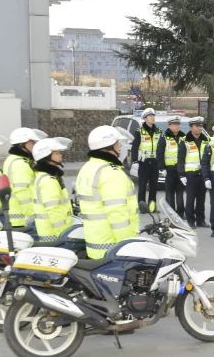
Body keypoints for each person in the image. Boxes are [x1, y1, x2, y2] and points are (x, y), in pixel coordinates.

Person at [74, 126, 138, 260]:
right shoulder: (110, 172)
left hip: (95, 243)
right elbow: (117, 214)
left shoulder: (87, 167)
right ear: (108, 146)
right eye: (117, 143)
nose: (120, 147)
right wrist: (127, 245)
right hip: (113, 248)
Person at [31, 136, 74, 245]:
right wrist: (63, 235)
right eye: (56, 153)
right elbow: (53, 210)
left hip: (51, 232)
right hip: (55, 235)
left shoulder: (48, 176)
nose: (60, 155)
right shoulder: (48, 180)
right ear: (46, 156)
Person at [3, 127, 42, 230]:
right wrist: (32, 213)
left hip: (18, 216)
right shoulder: (20, 163)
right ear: (22, 144)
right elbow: (22, 190)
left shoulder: (15, 159)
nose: (34, 145)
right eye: (31, 142)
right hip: (22, 218)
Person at [177, 116, 208, 228]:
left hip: (203, 174)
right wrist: (181, 174)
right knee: (190, 199)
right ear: (191, 127)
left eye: (201, 126)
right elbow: (180, 159)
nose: (200, 128)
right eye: (197, 126)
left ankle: (201, 220)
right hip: (190, 174)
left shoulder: (206, 140)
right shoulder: (184, 141)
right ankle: (190, 220)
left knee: (201, 199)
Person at [131, 108, 162, 211]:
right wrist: (135, 161)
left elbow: (161, 147)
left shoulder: (158, 131)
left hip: (155, 162)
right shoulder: (139, 131)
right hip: (144, 162)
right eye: (150, 116)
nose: (152, 118)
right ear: (145, 118)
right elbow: (135, 147)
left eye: (153, 116)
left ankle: (152, 207)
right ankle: (142, 207)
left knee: (153, 186)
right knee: (143, 185)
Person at [160, 116, 185, 211]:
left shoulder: (184, 137)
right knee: (169, 193)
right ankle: (171, 212)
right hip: (169, 169)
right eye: (175, 124)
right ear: (169, 125)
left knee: (180, 192)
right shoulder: (164, 137)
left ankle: (180, 213)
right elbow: (160, 153)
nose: (177, 126)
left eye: (178, 124)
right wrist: (162, 168)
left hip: (181, 169)